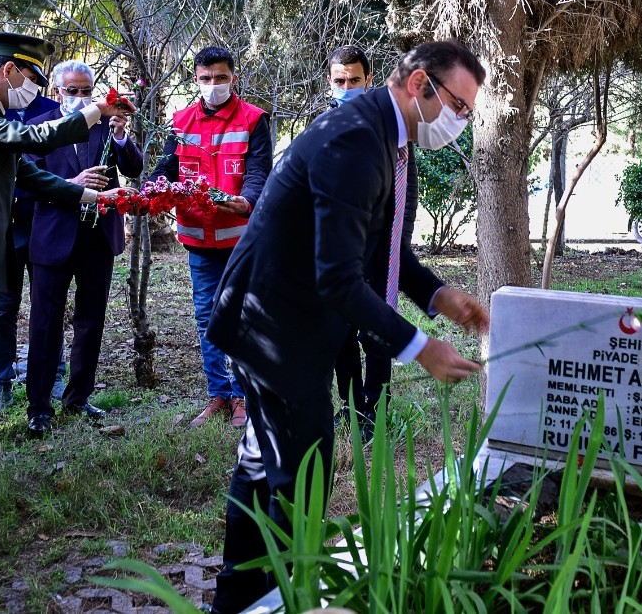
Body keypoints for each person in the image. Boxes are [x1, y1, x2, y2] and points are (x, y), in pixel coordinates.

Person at [205, 40, 491, 613]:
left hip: (286, 319)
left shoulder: (384, 136)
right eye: (459, 106)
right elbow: (338, 277)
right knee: (300, 477)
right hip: (277, 327)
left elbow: (380, 250)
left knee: (265, 464)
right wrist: (419, 346)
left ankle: (240, 599)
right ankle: (276, 598)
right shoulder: (357, 139)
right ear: (419, 85)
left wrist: (436, 295)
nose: (460, 121)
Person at [0, 32, 132, 527]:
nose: (35, 89)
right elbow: (38, 140)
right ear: (9, 71)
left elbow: (31, 177)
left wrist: (92, 199)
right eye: (32, 78)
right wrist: (97, 109)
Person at [149, 46, 272, 429]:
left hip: (239, 239)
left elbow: (258, 171)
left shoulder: (253, 119)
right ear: (196, 80)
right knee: (207, 317)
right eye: (205, 79)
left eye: (220, 77)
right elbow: (167, 168)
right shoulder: (180, 121)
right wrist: (152, 188)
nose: (213, 85)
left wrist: (246, 200)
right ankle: (218, 393)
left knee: (239, 318)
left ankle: (242, 396)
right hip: (198, 239)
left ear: (233, 77)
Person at [23, 60, 144, 437]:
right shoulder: (39, 128)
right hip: (53, 235)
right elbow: (28, 179)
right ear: (56, 91)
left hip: (98, 237)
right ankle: (39, 406)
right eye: (71, 90)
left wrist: (122, 136)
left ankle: (78, 397)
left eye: (85, 91)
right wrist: (72, 183)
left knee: (91, 320)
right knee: (45, 323)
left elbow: (135, 167)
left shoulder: (104, 126)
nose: (79, 98)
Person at [320, 45, 417, 436]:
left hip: (381, 251)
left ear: (369, 81)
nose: (346, 87)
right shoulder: (322, 128)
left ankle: (375, 410)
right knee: (340, 333)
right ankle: (351, 406)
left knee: (377, 331)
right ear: (330, 82)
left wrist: (399, 246)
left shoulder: (392, 129)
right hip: (337, 253)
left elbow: (407, 194)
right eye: (339, 81)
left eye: (354, 80)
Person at [0, 87, 62, 412]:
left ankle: (54, 375)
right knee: (4, 307)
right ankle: (0, 380)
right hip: (6, 225)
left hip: (45, 222)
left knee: (48, 305)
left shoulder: (53, 110)